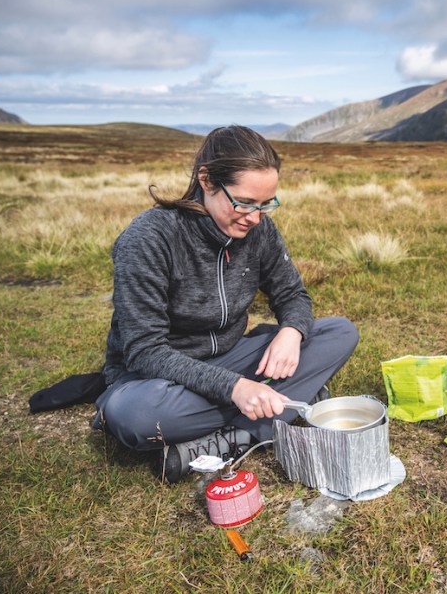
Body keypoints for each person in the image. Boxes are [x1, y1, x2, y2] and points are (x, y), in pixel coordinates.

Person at [92, 125, 358, 483]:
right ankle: (273, 412)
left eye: (266, 204)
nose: (255, 217)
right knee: (134, 416)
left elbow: (292, 295)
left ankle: (234, 438)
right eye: (245, 202)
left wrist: (292, 332)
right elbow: (144, 351)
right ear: (206, 180)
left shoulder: (260, 230)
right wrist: (236, 388)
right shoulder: (150, 238)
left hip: (231, 359)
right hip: (158, 380)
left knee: (339, 332)